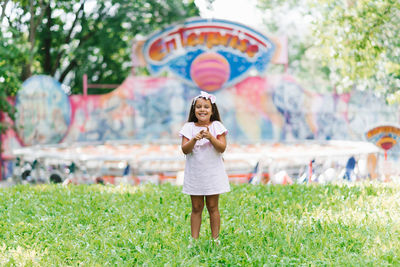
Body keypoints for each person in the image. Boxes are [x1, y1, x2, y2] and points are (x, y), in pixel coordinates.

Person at [179, 91, 230, 241]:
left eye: (206, 107)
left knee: (213, 207)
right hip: (195, 174)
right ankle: (194, 240)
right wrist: (194, 139)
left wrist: (210, 137)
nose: (202, 110)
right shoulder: (188, 127)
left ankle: (216, 240)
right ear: (194, 110)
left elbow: (222, 148)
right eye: (199, 107)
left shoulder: (217, 126)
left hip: (213, 174)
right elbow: (185, 150)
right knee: (196, 208)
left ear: (212, 110)